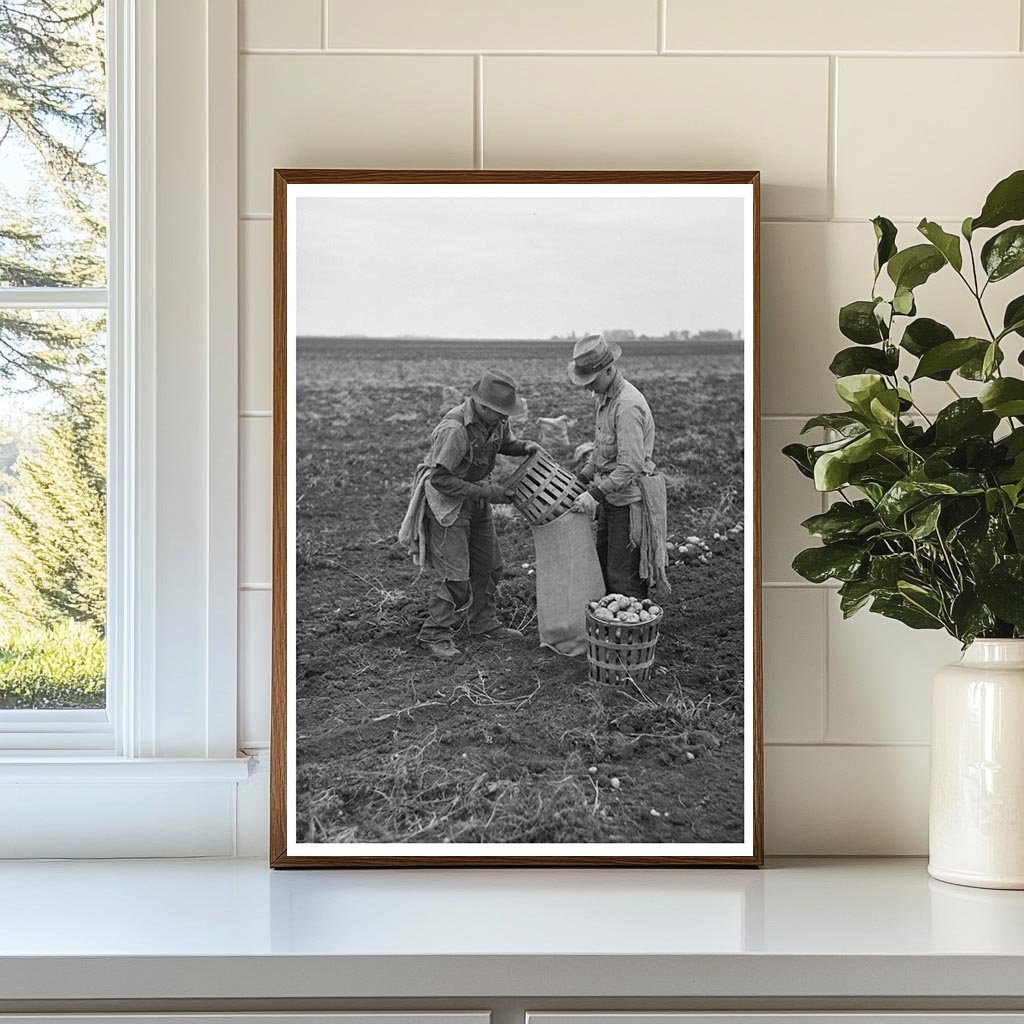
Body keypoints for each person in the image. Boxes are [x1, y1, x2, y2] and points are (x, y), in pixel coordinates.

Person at [416, 370, 541, 659]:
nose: (504, 419)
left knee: (490, 565)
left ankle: (483, 623)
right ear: (483, 406)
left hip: (477, 498)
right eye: (500, 413)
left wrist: (523, 447)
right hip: (449, 505)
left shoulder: (495, 421)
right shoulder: (455, 429)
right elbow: (440, 479)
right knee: (456, 577)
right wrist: (490, 493)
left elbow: (504, 443)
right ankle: (434, 633)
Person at [567, 334, 656, 600]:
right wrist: (582, 479)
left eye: (591, 381)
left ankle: (633, 636)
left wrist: (593, 495)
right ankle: (613, 636)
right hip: (610, 498)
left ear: (609, 369)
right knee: (605, 567)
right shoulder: (604, 397)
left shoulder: (627, 406)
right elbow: (601, 450)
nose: (588, 388)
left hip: (628, 503)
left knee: (623, 577)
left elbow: (629, 466)